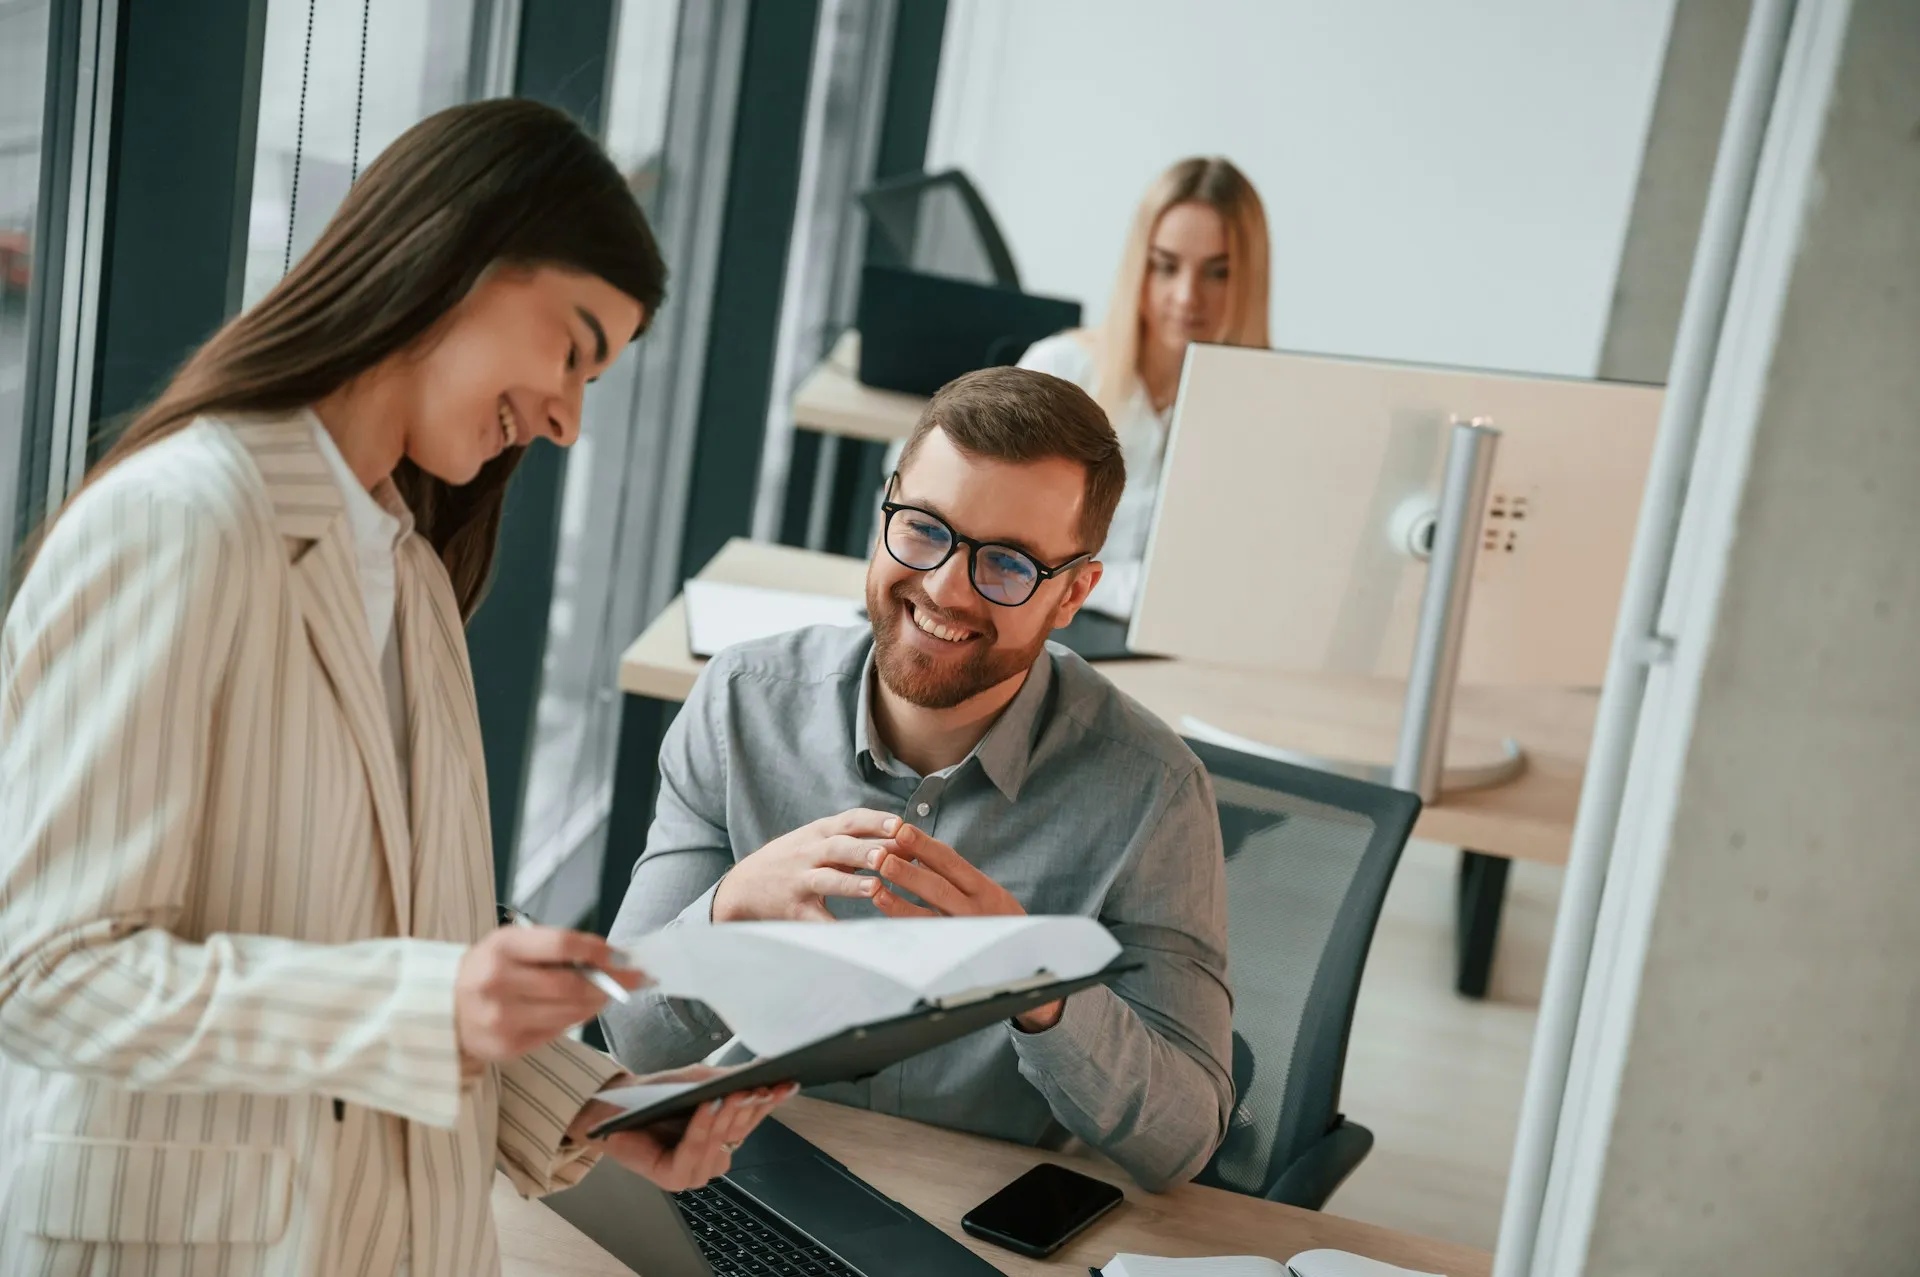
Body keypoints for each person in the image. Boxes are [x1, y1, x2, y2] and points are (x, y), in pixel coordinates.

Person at [0, 100, 789, 1277]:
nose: (570, 418)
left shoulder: (409, 569)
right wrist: (432, 1001)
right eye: (573, 347)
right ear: (457, 257)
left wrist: (595, 1105)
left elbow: (425, 948)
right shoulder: (181, 523)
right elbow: (46, 969)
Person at [604, 368, 1232, 1193]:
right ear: (887, 508)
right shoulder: (740, 704)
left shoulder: (1153, 793)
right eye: (926, 530)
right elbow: (632, 1040)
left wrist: (1035, 985)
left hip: (969, 1220)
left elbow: (1184, 1141)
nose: (943, 588)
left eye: (1006, 565)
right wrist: (730, 905)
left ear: (1074, 592)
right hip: (757, 1179)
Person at [1019, 156, 1270, 620]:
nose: (1187, 296)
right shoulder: (1061, 370)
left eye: (1218, 273)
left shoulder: (1270, 413)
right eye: (1165, 266)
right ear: (1139, 266)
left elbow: (1245, 584)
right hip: (1046, 633)